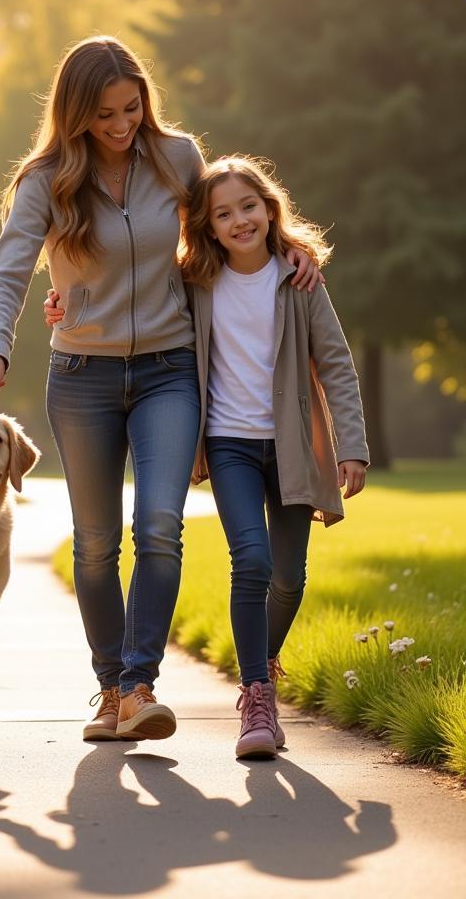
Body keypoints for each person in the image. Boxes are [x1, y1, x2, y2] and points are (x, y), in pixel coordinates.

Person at [0, 36, 320, 745]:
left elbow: (230, 224)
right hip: (81, 377)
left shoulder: (178, 157)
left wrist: (286, 244)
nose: (121, 124)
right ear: (75, 115)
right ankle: (110, 688)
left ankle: (139, 685)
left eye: (131, 107)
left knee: (159, 525)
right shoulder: (44, 181)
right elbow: (9, 269)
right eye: (103, 114)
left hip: (169, 368)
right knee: (96, 544)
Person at [178, 155, 368, 759]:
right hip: (230, 442)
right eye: (223, 213)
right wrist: (65, 304)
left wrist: (353, 446)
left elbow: (335, 362)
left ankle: (262, 658)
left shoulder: (300, 280)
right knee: (252, 560)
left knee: (290, 577)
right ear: (207, 227)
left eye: (248, 207)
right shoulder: (194, 284)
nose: (239, 221)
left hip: (290, 445)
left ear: (269, 208)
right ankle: (257, 698)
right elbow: (130, 301)